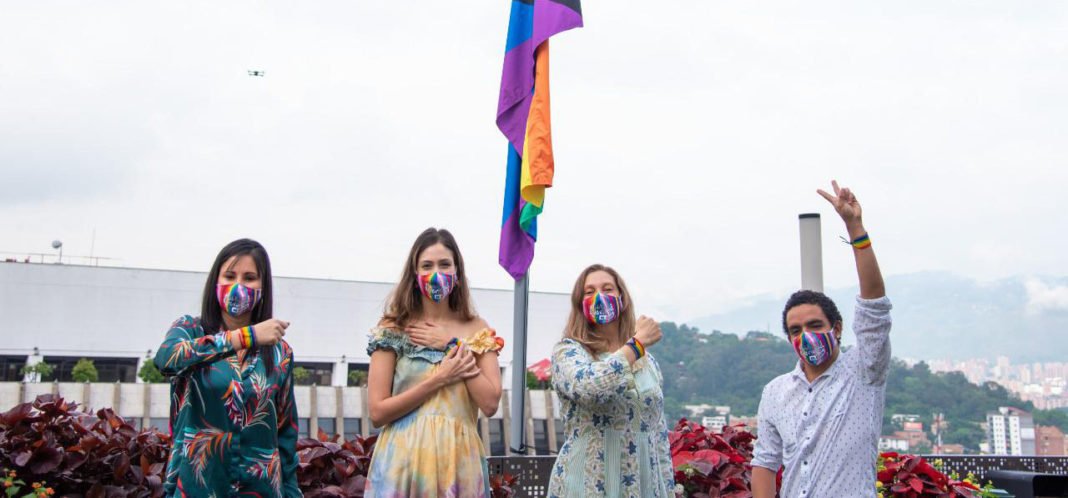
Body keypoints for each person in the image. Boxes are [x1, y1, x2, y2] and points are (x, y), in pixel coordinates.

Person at [751, 181, 892, 498]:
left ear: (837, 328)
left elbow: (874, 308)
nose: (806, 336)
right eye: (796, 330)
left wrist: (855, 227)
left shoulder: (864, 372)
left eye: (815, 325)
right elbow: (765, 462)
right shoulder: (776, 392)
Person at [154, 239, 300, 497]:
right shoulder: (190, 329)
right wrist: (245, 336)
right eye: (230, 276)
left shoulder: (280, 352)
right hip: (198, 485)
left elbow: (285, 432)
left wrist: (291, 491)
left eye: (250, 277)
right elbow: (166, 360)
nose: (239, 285)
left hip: (260, 489)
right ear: (215, 282)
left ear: (263, 286)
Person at [364, 228, 504, 498]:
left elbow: (489, 403)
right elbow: (378, 412)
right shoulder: (394, 327)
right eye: (426, 265)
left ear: (458, 274)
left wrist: (452, 345)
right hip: (401, 464)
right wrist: (439, 379)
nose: (436, 273)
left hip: (459, 464)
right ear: (415, 275)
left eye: (444, 264)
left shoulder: (477, 329)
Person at [548, 264, 674, 498]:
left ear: (622, 298)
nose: (599, 296)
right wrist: (636, 345)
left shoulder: (648, 362)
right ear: (579, 303)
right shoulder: (568, 352)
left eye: (608, 289)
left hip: (643, 486)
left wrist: (667, 488)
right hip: (588, 484)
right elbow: (589, 388)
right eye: (589, 291)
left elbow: (659, 436)